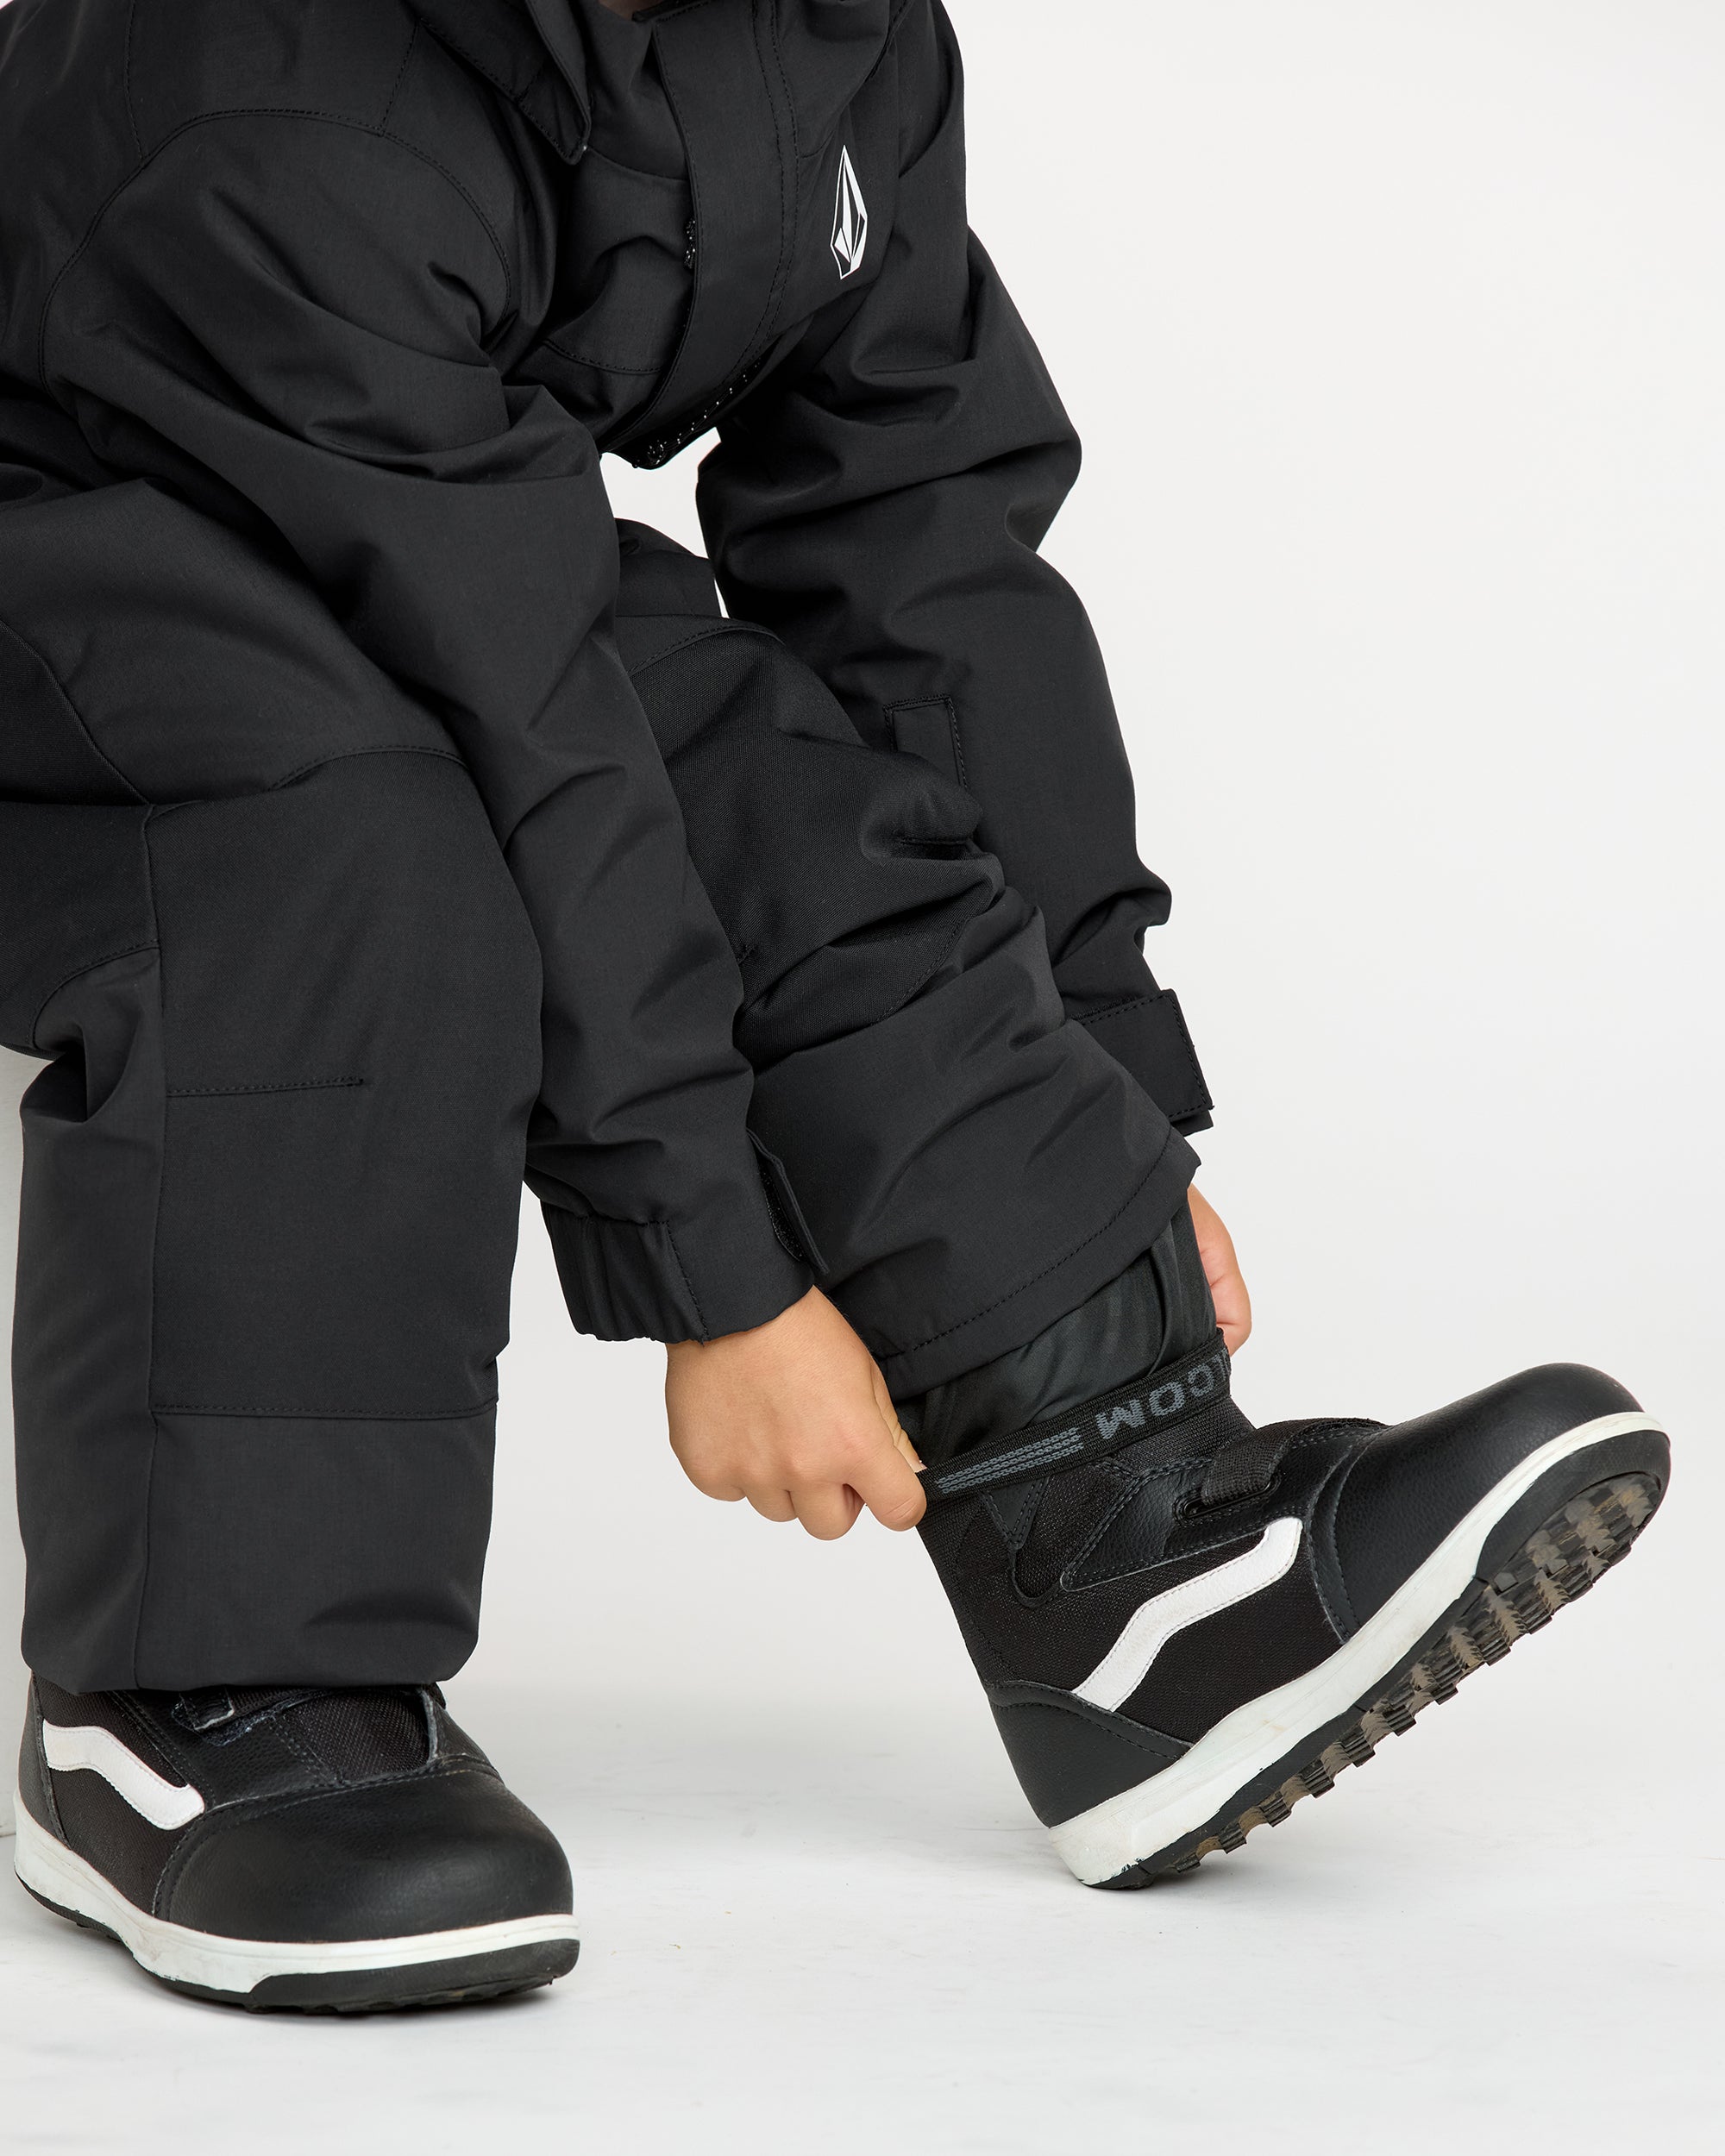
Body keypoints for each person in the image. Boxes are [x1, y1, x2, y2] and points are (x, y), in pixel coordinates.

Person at [0, 0, 1668, 2014]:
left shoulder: (827, 36)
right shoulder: (298, 95)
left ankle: (1118, 1536)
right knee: (348, 839)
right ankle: (194, 1683)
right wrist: (720, 1284)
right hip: (61, 554)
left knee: (755, 780)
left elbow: (919, 537)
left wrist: (1103, 1089)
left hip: (362, 515)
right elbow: (510, 713)